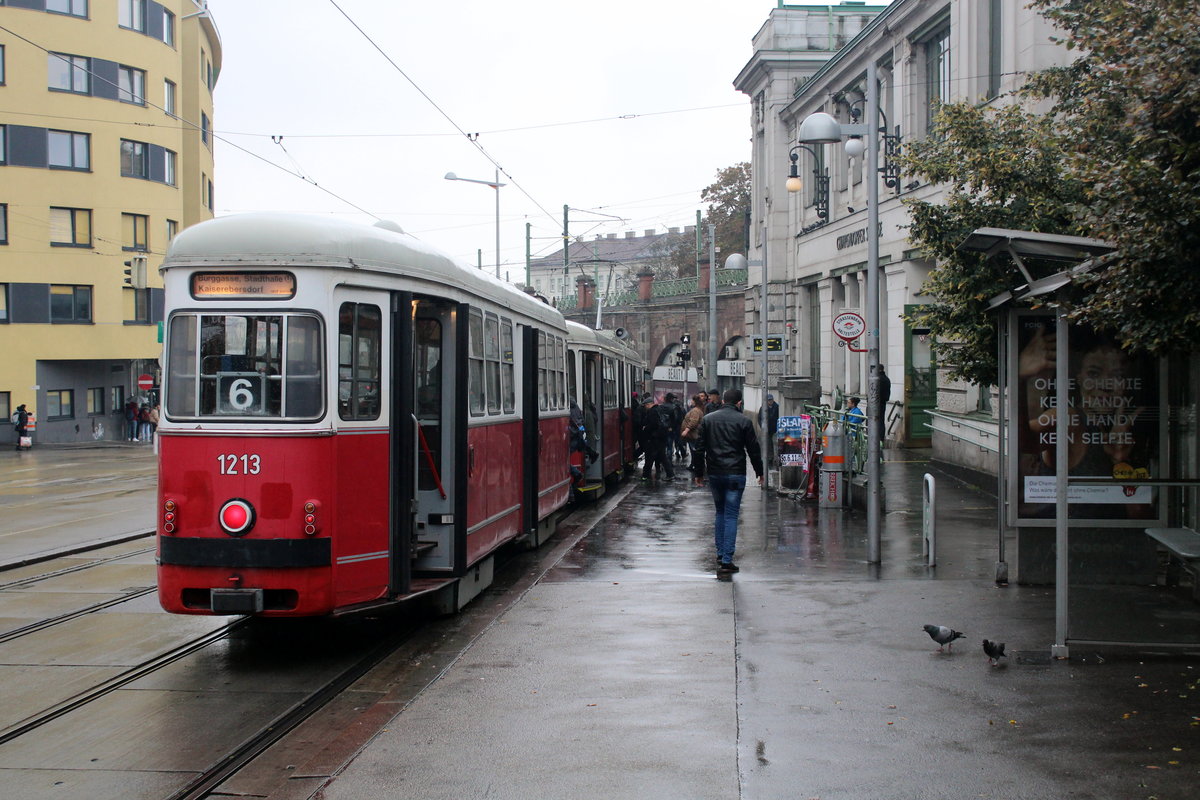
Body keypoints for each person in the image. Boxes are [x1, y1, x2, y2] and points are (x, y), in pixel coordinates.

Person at [694, 388, 764, 572]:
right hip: (735, 472)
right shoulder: (744, 421)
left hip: (715, 472)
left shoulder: (708, 420)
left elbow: (699, 448)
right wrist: (759, 472)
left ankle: (719, 553)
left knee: (720, 513)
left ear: (723, 400)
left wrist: (698, 473)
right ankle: (727, 559)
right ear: (739, 403)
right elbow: (753, 450)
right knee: (732, 515)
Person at [638, 393, 675, 481]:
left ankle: (645, 476)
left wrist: (645, 428)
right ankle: (670, 474)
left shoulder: (652, 412)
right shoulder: (660, 409)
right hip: (661, 437)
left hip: (654, 438)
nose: (645, 407)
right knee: (663, 457)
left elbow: (653, 424)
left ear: (649, 404)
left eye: (646, 405)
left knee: (649, 457)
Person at [680, 393, 707, 486]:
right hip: (693, 435)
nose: (691, 402)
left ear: (695, 402)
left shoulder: (695, 410)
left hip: (693, 435)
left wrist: (686, 431)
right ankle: (695, 465)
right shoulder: (697, 410)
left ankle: (697, 467)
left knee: (695, 451)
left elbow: (693, 422)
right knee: (694, 451)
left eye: (692, 400)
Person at [758, 393, 780, 464]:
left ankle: (776, 458)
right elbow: (759, 418)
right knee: (768, 444)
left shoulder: (777, 407)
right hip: (767, 430)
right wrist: (763, 427)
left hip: (775, 429)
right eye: (769, 400)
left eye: (771, 400)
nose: (770, 401)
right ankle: (770, 458)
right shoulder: (763, 408)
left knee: (775, 443)